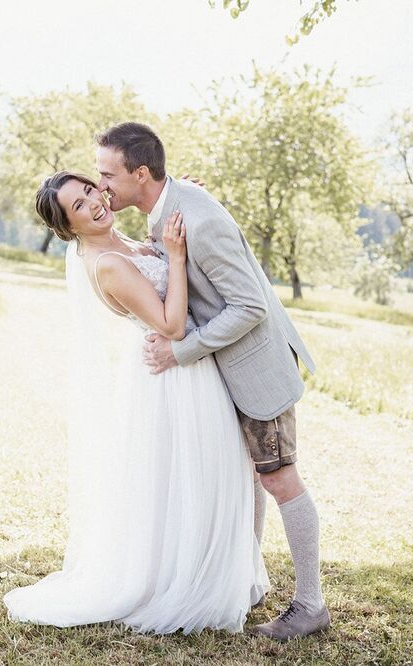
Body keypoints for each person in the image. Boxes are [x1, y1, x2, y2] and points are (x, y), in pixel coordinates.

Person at [2, 170, 268, 635]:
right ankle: (185, 581)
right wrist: (176, 256)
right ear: (68, 227)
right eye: (79, 206)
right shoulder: (106, 263)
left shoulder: (118, 239)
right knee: (190, 475)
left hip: (188, 368)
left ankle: (214, 571)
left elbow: (151, 228)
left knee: (206, 473)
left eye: (89, 190)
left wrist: (177, 199)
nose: (94, 203)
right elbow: (172, 325)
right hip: (172, 376)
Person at [95, 122, 330, 640]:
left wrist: (181, 351)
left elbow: (249, 305)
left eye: (107, 174)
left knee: (278, 478)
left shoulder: (196, 218)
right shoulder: (166, 209)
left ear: (140, 173)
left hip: (257, 369)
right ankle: (244, 582)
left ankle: (310, 605)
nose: (101, 185)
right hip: (226, 369)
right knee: (247, 478)